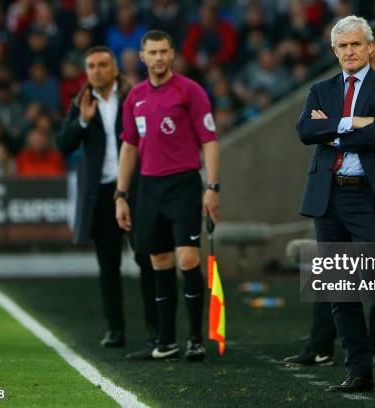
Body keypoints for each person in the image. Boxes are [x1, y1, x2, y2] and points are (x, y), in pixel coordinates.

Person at [296, 16, 375, 393]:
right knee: (340, 291)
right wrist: (354, 122)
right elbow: (305, 131)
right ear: (334, 51)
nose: (349, 51)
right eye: (342, 46)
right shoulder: (321, 88)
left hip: (369, 197)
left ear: (370, 49)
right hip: (328, 196)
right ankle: (358, 372)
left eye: (355, 45)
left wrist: (332, 128)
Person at [116, 30, 219, 362]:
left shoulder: (190, 91)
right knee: (159, 261)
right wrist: (120, 194)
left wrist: (212, 187)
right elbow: (129, 146)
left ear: (172, 54)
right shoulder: (135, 97)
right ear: (142, 57)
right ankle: (165, 341)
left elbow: (210, 140)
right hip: (148, 187)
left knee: (188, 259)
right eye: (152, 52)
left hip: (183, 185)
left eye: (164, 51)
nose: (158, 58)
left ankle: (195, 339)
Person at [56, 46, 158, 349]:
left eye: (103, 64)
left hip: (136, 189)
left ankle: (156, 330)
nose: (97, 70)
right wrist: (83, 121)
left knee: (146, 258)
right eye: (91, 66)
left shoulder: (135, 96)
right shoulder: (82, 102)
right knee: (108, 264)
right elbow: (62, 143)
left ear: (114, 69)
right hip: (101, 194)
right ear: (86, 71)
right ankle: (115, 330)